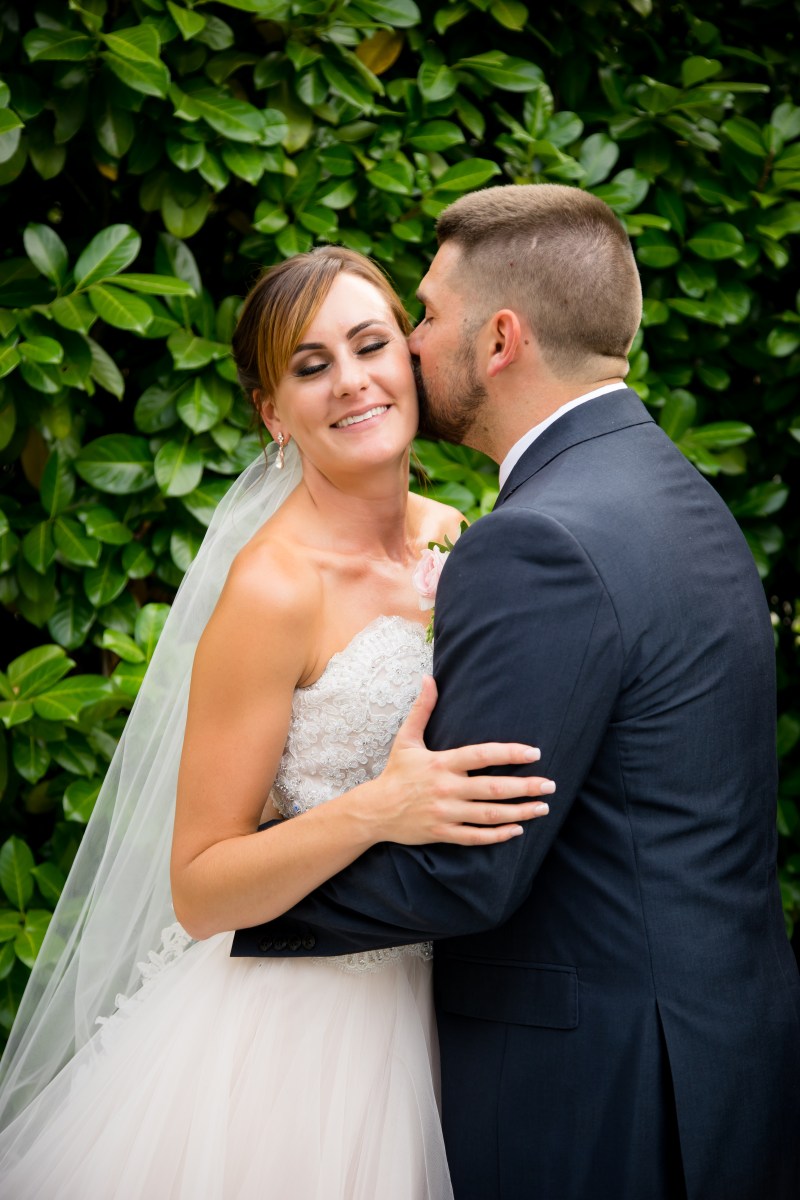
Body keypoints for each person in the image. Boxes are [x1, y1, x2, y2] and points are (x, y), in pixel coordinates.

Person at [234, 185, 800, 1200]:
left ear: (498, 340)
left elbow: (468, 874)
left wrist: (241, 916)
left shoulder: (532, 540)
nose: (411, 347)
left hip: (595, 1093)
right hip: (722, 1052)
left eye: (423, 317)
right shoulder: (679, 493)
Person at [0, 247, 555, 1199]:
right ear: (272, 414)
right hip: (300, 1037)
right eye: (310, 366)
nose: (352, 381)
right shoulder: (273, 589)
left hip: (450, 1003)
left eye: (370, 345)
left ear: (409, 356)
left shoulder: (456, 534)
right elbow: (200, 888)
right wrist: (378, 810)